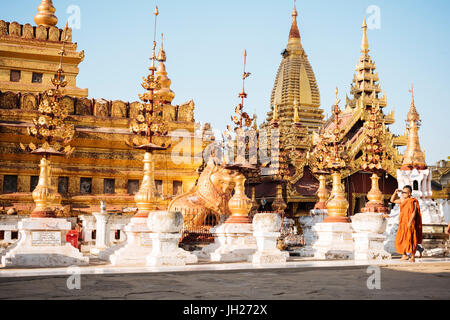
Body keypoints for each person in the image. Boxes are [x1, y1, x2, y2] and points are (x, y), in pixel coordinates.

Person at [390, 185, 423, 263]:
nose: (403, 194)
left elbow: (414, 212)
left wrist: (410, 222)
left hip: (410, 222)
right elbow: (392, 200)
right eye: (402, 192)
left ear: (409, 193)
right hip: (402, 222)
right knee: (400, 239)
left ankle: (413, 256)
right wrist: (395, 193)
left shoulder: (413, 200)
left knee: (411, 239)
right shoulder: (402, 200)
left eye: (405, 193)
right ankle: (404, 255)